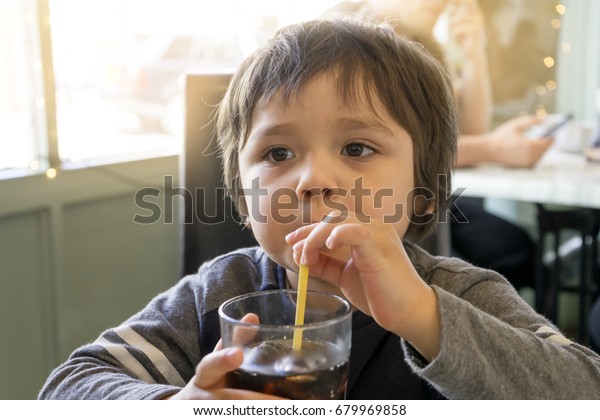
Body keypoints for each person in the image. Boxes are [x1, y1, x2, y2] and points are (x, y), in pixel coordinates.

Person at [39, 18, 600, 400]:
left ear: (422, 188)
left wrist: (423, 317)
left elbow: (585, 389)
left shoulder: (459, 294)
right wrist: (179, 403)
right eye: (277, 153)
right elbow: (68, 386)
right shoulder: (215, 295)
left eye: (357, 148)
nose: (313, 180)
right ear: (243, 190)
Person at [325, 0, 548, 292]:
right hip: (380, 200)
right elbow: (397, 146)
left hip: (435, 200)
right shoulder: (347, 35)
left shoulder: (428, 46)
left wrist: (474, 53)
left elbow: (462, 131)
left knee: (517, 249)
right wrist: (491, 148)